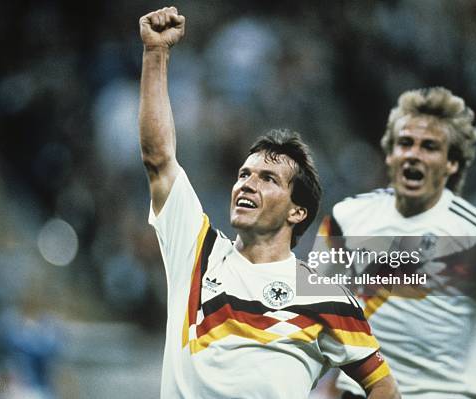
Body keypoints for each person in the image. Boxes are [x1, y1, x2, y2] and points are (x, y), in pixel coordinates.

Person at [138, 7, 400, 399]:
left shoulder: (324, 295)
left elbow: (383, 388)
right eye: (244, 174)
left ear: (297, 211)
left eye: (268, 178)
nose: (247, 184)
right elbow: (159, 159)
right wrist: (155, 54)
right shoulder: (197, 251)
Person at [317, 87, 476, 398]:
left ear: (451, 163)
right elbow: (317, 313)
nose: (414, 153)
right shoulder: (346, 218)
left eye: (429, 146)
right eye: (405, 143)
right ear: (390, 154)